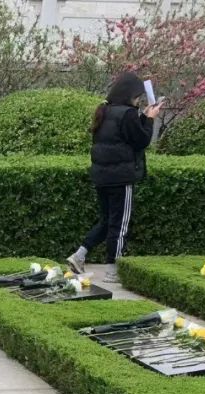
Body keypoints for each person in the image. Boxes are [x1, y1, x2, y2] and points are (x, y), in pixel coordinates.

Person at [66, 71, 162, 282]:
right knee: (119, 225)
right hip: (121, 178)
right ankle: (113, 269)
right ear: (130, 95)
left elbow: (125, 135)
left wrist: (144, 117)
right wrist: (149, 119)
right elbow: (141, 140)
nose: (138, 101)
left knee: (107, 222)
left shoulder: (105, 110)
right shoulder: (127, 114)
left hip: (102, 177)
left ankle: (79, 255)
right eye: (137, 97)